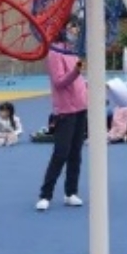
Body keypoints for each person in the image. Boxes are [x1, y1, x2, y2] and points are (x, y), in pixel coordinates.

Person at [37, 20, 87, 211]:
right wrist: (76, 71)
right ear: (63, 29)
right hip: (65, 110)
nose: (76, 30)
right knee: (61, 153)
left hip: (81, 107)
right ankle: (45, 195)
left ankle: (71, 192)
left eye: (76, 26)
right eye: (72, 26)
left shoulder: (72, 51)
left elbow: (78, 80)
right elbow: (59, 82)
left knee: (76, 153)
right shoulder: (55, 53)